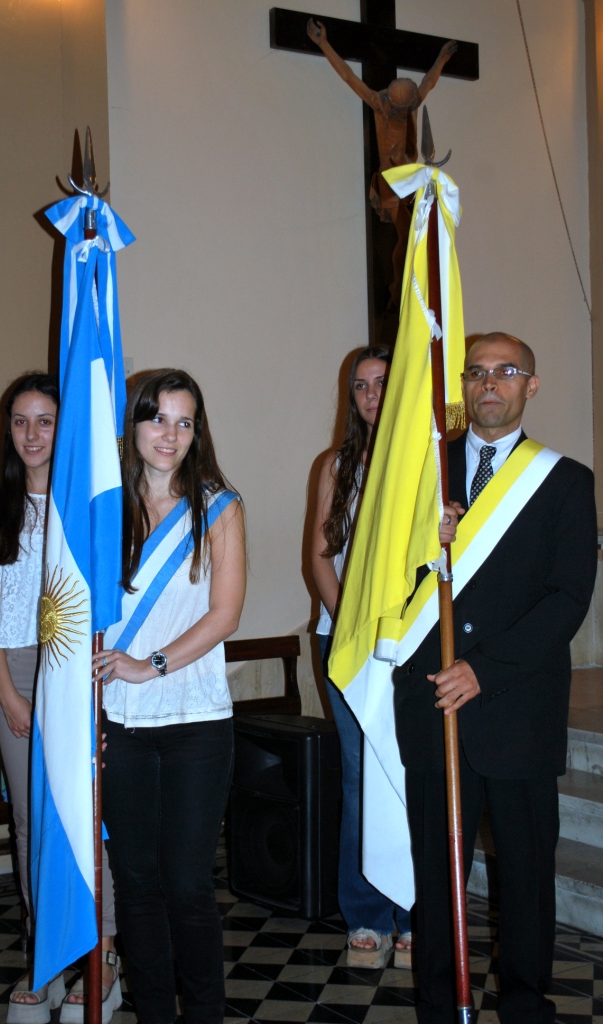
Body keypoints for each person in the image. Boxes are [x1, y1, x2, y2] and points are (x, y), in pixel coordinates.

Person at [392, 333, 598, 1023]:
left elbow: (567, 598)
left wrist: (483, 669)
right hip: (433, 706)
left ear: (529, 386)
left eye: (505, 372)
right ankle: (438, 1004)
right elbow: (383, 584)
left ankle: (523, 1004)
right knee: (436, 872)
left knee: (525, 872)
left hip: (517, 708)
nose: (489, 384)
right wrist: (422, 550)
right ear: (463, 385)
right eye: (476, 372)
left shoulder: (566, 482)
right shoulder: (423, 476)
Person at [0, 373, 120, 1024]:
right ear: (8, 428)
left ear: (65, 429)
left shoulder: (86, 508)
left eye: (46, 421)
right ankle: (48, 953)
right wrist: (7, 692)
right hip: (18, 673)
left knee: (87, 815)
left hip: (76, 671)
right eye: (20, 421)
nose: (31, 434)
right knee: (31, 821)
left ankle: (102, 952)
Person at [97, 368, 246, 1024]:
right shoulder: (104, 509)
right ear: (132, 424)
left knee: (187, 885)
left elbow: (225, 614)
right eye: (157, 418)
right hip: (120, 723)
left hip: (196, 722)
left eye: (185, 422)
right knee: (135, 883)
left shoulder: (219, 506)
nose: (170, 434)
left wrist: (148, 665)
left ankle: (205, 1015)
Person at [311, 347, 459, 969]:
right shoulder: (336, 465)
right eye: (362, 386)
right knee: (359, 776)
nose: (373, 395)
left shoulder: (431, 459)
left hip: (413, 644)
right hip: (348, 644)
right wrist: (355, 628)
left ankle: (416, 913)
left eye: (382, 382)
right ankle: (367, 913)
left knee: (412, 775)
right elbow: (320, 558)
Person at [306, 18, 456, 306]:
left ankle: (401, 287)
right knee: (405, 237)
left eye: (408, 108)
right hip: (390, 183)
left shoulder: (410, 104)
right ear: (393, 102)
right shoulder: (380, 105)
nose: (404, 113)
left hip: (410, 181)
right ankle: (397, 289)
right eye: (401, 110)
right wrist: (323, 43)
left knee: (413, 237)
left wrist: (442, 59)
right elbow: (349, 76)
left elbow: (428, 82)